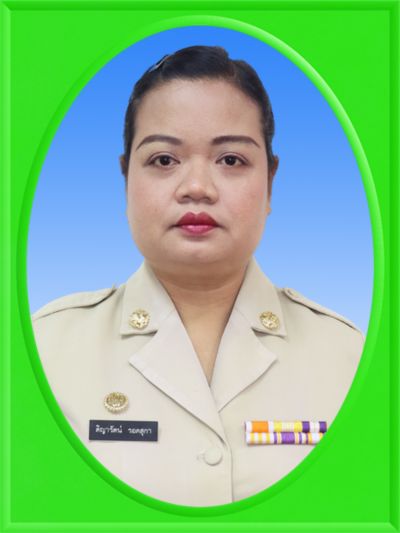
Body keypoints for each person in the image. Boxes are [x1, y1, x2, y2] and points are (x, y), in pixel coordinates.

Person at [32, 46, 364, 507]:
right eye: (163, 160)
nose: (196, 188)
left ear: (270, 181)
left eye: (230, 160)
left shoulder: (349, 357)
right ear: (125, 178)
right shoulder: (44, 351)